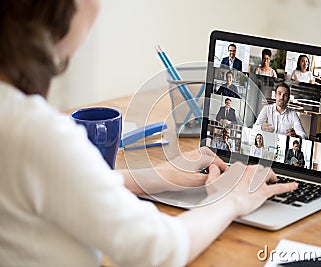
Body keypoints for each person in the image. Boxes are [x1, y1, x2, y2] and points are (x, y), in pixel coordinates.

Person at [0, 1, 298, 266]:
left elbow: (55, 183)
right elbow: (159, 250)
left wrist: (158, 175)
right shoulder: (34, 134)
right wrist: (230, 200)